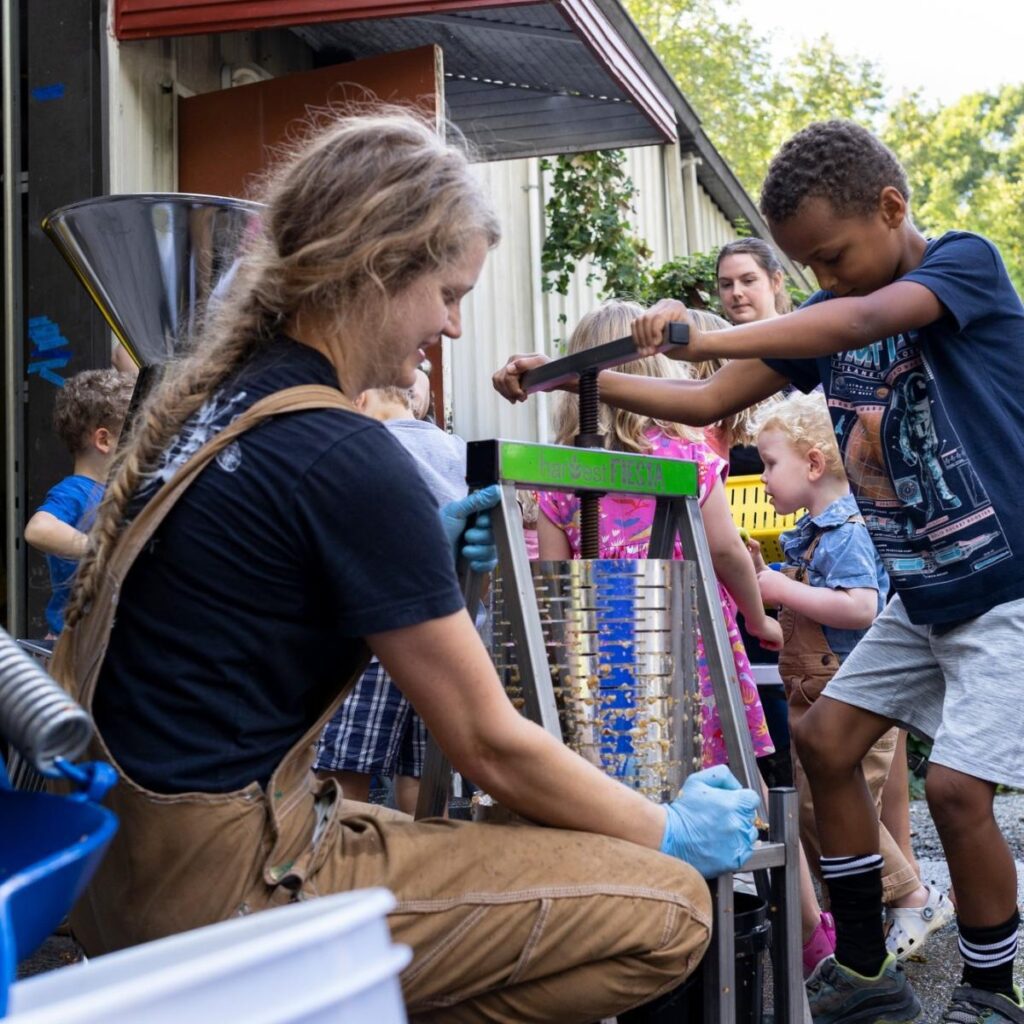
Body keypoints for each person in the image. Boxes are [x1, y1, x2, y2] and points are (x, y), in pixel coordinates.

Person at [53, 107, 763, 1023]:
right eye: (450, 294)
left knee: (523, 835)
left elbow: (249, 613)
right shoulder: (341, 452)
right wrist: (671, 830)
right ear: (379, 270)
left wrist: (410, 550)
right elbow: (488, 743)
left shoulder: (214, 410)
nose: (453, 330)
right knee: (667, 907)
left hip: (125, 872)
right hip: (226, 892)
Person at [493, 117, 1024, 1024]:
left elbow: (853, 316)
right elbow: (702, 399)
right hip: (924, 596)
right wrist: (569, 378)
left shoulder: (960, 267)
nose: (825, 278)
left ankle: (989, 994)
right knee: (821, 745)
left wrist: (706, 333)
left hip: (1004, 591)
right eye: (806, 265)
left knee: (955, 792)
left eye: (831, 255)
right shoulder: (829, 316)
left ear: (893, 208)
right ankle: (864, 971)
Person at [750, 389, 953, 967]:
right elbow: (812, 611)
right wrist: (774, 617)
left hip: (851, 690)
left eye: (769, 464)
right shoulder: (814, 532)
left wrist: (781, 589)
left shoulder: (846, 530)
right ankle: (865, 910)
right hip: (815, 689)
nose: (762, 479)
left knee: (841, 806)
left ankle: (912, 894)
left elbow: (862, 607)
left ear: (813, 463)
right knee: (816, 808)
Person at [537, 299, 782, 769]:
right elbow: (727, 551)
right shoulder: (686, 460)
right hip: (690, 637)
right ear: (657, 374)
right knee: (716, 774)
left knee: (626, 774)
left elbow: (555, 585)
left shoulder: (559, 476)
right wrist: (757, 617)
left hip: (603, 656)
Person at [314, 383, 468, 815]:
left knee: (343, 771)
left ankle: (341, 868)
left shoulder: (364, 446)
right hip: (448, 630)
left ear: (359, 399)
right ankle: (420, 872)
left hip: (379, 632)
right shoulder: (454, 446)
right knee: (420, 774)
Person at [24, 368, 134, 636]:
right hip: (73, 645)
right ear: (104, 440)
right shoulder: (75, 491)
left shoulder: (116, 491)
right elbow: (38, 529)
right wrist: (99, 549)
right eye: (134, 432)